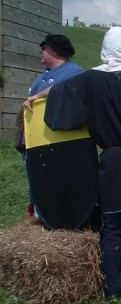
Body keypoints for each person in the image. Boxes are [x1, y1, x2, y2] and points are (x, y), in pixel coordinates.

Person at [27, 27, 121, 301]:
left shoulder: (90, 79)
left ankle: (113, 290)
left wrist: (39, 96)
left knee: (112, 227)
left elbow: (61, 94)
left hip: (110, 160)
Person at [20, 34, 84, 216]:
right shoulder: (44, 76)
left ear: (55, 51)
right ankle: (40, 216)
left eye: (44, 48)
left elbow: (72, 90)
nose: (41, 51)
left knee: (57, 189)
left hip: (58, 145)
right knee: (39, 186)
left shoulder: (74, 73)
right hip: (37, 143)